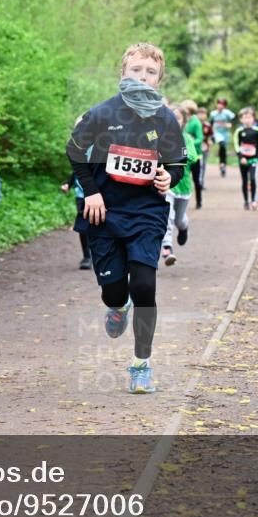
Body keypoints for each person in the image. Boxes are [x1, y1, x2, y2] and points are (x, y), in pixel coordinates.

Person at [66, 42, 186, 394]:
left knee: (145, 285)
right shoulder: (102, 113)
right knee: (113, 291)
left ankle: (141, 364)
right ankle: (118, 305)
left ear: (159, 79)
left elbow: (177, 162)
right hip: (104, 213)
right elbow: (74, 150)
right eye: (136, 70)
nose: (142, 77)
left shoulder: (165, 118)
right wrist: (91, 191)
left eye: (150, 72)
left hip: (147, 212)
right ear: (123, 73)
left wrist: (168, 177)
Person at [161, 106, 198, 266]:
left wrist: (177, 154)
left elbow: (193, 157)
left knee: (179, 220)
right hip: (167, 185)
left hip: (184, 186)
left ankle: (184, 228)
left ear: (183, 122)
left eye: (178, 118)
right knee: (168, 216)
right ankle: (167, 247)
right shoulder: (157, 134)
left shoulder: (186, 138)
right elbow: (145, 141)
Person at [232, 106, 258, 209]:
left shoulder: (257, 130)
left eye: (249, 117)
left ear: (253, 118)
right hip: (243, 160)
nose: (247, 120)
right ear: (241, 119)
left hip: (253, 159)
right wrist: (241, 157)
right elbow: (236, 145)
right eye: (245, 118)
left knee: (253, 179)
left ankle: (253, 200)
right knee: (245, 180)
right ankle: (246, 201)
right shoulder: (239, 131)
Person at [60, 172, 91, 269]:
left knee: (98, 224)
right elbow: (77, 171)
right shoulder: (80, 162)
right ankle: (87, 257)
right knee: (83, 225)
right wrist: (68, 184)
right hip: (81, 196)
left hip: (100, 196)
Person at [181, 100, 204, 211]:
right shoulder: (182, 119)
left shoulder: (196, 122)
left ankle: (199, 201)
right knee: (183, 176)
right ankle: (182, 199)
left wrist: (189, 142)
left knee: (196, 179)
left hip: (195, 155)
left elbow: (200, 138)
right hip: (184, 154)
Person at [209, 98, 235, 177]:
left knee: (223, 148)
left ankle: (222, 164)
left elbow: (234, 120)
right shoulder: (213, 113)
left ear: (224, 106)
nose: (220, 106)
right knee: (221, 143)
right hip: (217, 132)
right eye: (219, 104)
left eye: (222, 104)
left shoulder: (228, 113)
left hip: (225, 133)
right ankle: (222, 163)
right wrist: (211, 135)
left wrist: (230, 124)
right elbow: (211, 124)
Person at [196, 106, 213, 202]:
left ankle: (201, 183)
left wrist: (210, 141)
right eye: (200, 114)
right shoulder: (195, 124)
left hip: (205, 148)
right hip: (196, 148)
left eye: (203, 114)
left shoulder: (207, 125)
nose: (202, 116)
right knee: (198, 165)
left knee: (203, 166)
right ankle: (197, 182)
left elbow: (211, 135)